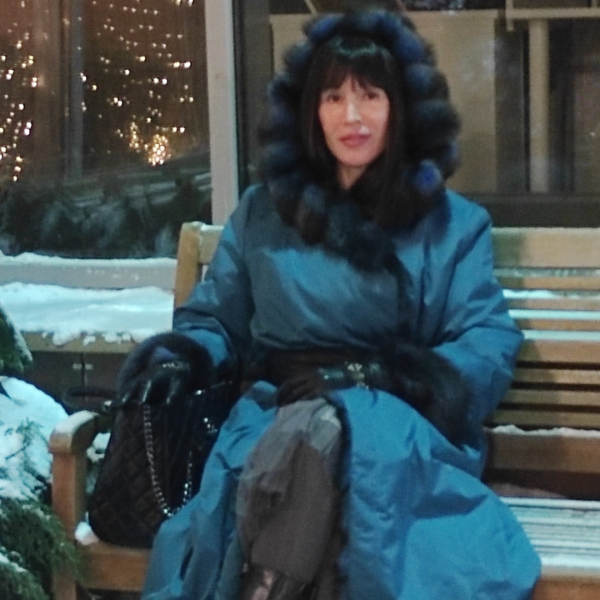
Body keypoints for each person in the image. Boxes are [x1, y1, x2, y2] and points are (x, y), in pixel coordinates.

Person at [117, 8, 541, 600]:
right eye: (333, 97)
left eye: (370, 96)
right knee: (300, 441)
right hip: (272, 413)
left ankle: (266, 586)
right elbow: (217, 318)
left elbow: (485, 341)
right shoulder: (264, 213)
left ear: (402, 107)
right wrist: (182, 358)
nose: (352, 116)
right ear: (308, 111)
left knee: (327, 433)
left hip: (400, 426)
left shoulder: (451, 225)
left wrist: (379, 377)